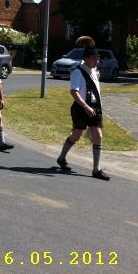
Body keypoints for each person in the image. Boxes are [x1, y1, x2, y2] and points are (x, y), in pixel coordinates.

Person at [56, 37, 110, 181]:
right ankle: (61, 158)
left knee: (98, 135)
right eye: (94, 58)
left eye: (98, 58)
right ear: (86, 58)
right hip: (81, 108)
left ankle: (96, 170)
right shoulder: (77, 72)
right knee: (77, 135)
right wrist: (85, 107)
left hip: (94, 108)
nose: (97, 61)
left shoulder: (94, 71)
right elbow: (74, 92)